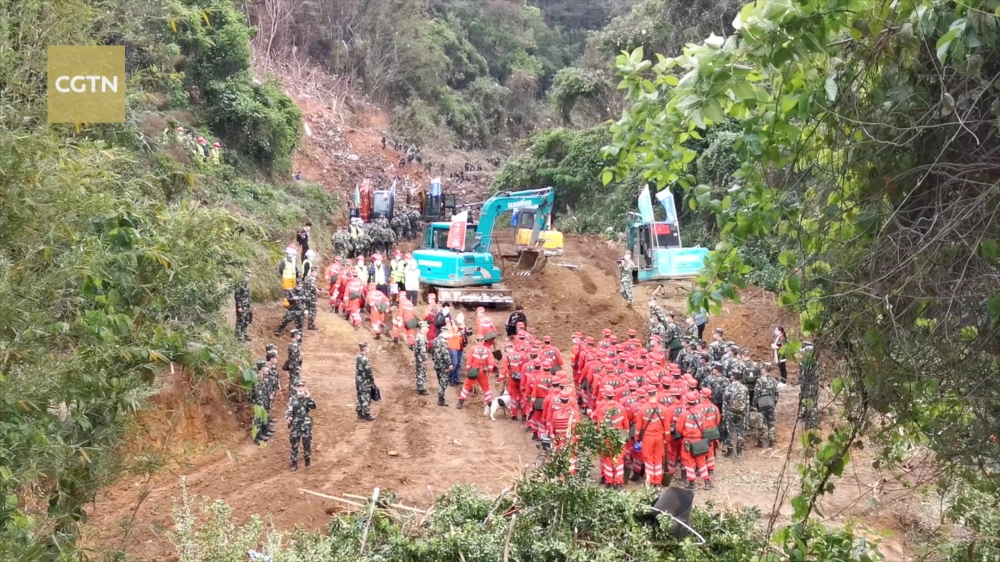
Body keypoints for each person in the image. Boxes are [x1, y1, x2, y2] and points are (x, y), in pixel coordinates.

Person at [676, 391, 712, 490]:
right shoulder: (700, 413)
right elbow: (704, 427)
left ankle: (692, 483)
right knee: (701, 462)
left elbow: (678, 429)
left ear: (686, 402)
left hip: (688, 442)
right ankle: (707, 482)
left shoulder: (684, 414)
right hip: (698, 441)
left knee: (688, 463)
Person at [634, 386, 668, 486]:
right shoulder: (664, 409)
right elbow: (667, 427)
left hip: (647, 437)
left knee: (648, 459)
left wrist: (637, 438)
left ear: (647, 395)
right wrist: (666, 439)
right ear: (656, 394)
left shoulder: (643, 409)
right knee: (658, 458)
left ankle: (650, 480)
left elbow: (638, 427)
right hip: (659, 437)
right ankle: (657, 482)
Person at [457, 334, 495, 409]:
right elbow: (491, 362)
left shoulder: (472, 349)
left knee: (466, 387)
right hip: (483, 372)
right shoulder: (487, 350)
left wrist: (468, 370)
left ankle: (460, 402)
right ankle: (489, 403)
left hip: (473, 371)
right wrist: (489, 371)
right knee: (486, 388)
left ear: (476, 341)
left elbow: (469, 362)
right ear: (483, 341)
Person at [285, 380, 316, 471]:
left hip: (306, 424)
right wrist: (289, 417)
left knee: (307, 442)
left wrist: (309, 397)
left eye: (302, 386)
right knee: (294, 443)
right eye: (299, 386)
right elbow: (289, 410)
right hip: (296, 424)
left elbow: (313, 406)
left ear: (305, 387)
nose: (301, 388)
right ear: (296, 388)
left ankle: (307, 460)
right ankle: (294, 463)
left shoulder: (307, 398)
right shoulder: (292, 399)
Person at [722, 370, 749, 458]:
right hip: (742, 413)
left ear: (733, 377)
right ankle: (739, 452)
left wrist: (724, 413)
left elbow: (725, 402)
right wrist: (746, 413)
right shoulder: (745, 388)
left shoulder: (728, 388)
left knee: (730, 432)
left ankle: (730, 452)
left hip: (731, 412)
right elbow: (747, 402)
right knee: (740, 433)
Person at [753, 363, 779, 447]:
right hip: (771, 403)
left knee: (761, 423)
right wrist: (774, 403)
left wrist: (754, 405)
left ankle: (761, 441)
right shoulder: (774, 380)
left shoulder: (759, 381)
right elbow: (777, 394)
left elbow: (756, 394)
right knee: (771, 423)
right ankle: (771, 441)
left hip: (761, 404)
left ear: (764, 369)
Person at [355, 342, 377, 421]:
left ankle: (359, 414)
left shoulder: (358, 357)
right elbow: (368, 371)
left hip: (358, 381)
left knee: (360, 397)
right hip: (365, 381)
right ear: (365, 348)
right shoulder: (365, 359)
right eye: (368, 348)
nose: (369, 349)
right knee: (366, 397)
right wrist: (371, 379)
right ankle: (367, 415)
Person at [432, 325, 453, 406]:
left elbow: (432, 352)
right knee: (443, 382)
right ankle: (441, 399)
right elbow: (445, 354)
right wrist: (449, 364)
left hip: (437, 364)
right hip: (443, 365)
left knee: (440, 380)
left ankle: (441, 398)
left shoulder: (435, 340)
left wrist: (434, 361)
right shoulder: (443, 341)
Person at [413, 322, 430, 395]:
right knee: (421, 372)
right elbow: (422, 350)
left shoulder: (419, 335)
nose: (428, 328)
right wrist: (424, 359)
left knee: (419, 372)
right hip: (421, 357)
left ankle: (419, 386)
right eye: (426, 327)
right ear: (423, 327)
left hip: (418, 356)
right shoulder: (421, 337)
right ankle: (421, 388)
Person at [234, 275, 252, 342]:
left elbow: (248, 297)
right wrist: (239, 307)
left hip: (246, 306)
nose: (248, 278)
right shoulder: (239, 286)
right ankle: (239, 335)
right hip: (241, 306)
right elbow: (237, 297)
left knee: (246, 321)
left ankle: (244, 334)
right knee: (240, 321)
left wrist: (249, 306)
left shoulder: (246, 286)